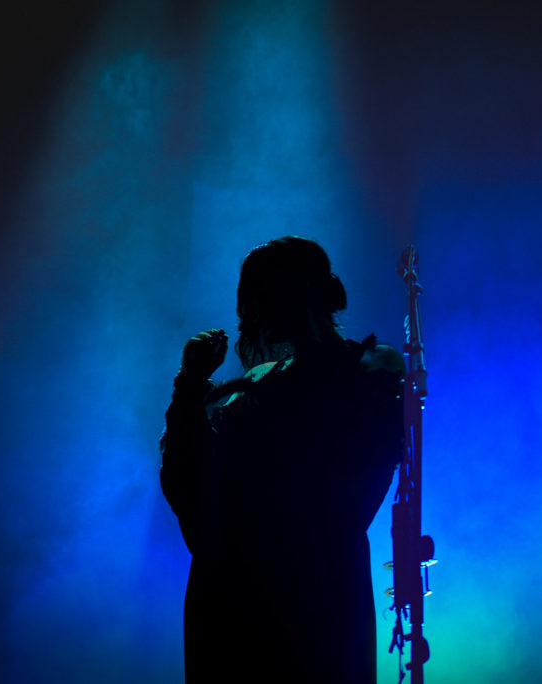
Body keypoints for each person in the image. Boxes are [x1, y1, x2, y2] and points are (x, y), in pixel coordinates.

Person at [160, 236, 406, 683]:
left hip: (291, 597)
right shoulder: (251, 387)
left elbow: (354, 488)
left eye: (253, 301)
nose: (244, 318)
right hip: (249, 596)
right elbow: (192, 483)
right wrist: (191, 382)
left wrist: (193, 386)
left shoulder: (365, 371)